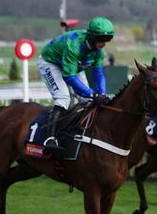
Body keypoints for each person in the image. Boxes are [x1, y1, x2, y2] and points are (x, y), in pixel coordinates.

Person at [37, 16, 115, 155]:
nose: (104, 43)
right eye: (101, 39)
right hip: (51, 62)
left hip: (73, 66)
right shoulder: (74, 45)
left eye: (108, 39)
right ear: (91, 37)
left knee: (88, 101)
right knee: (63, 98)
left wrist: (101, 94)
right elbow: (69, 76)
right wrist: (92, 93)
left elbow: (98, 74)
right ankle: (50, 138)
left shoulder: (99, 52)